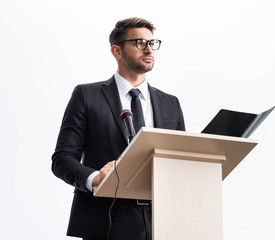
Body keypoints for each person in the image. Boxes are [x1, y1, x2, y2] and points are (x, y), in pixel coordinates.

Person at [51, 17, 185, 240]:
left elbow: (179, 163)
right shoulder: (87, 96)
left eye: (152, 43)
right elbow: (62, 159)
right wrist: (95, 178)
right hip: (104, 221)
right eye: (140, 43)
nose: (149, 49)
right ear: (117, 51)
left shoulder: (171, 103)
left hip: (161, 222)